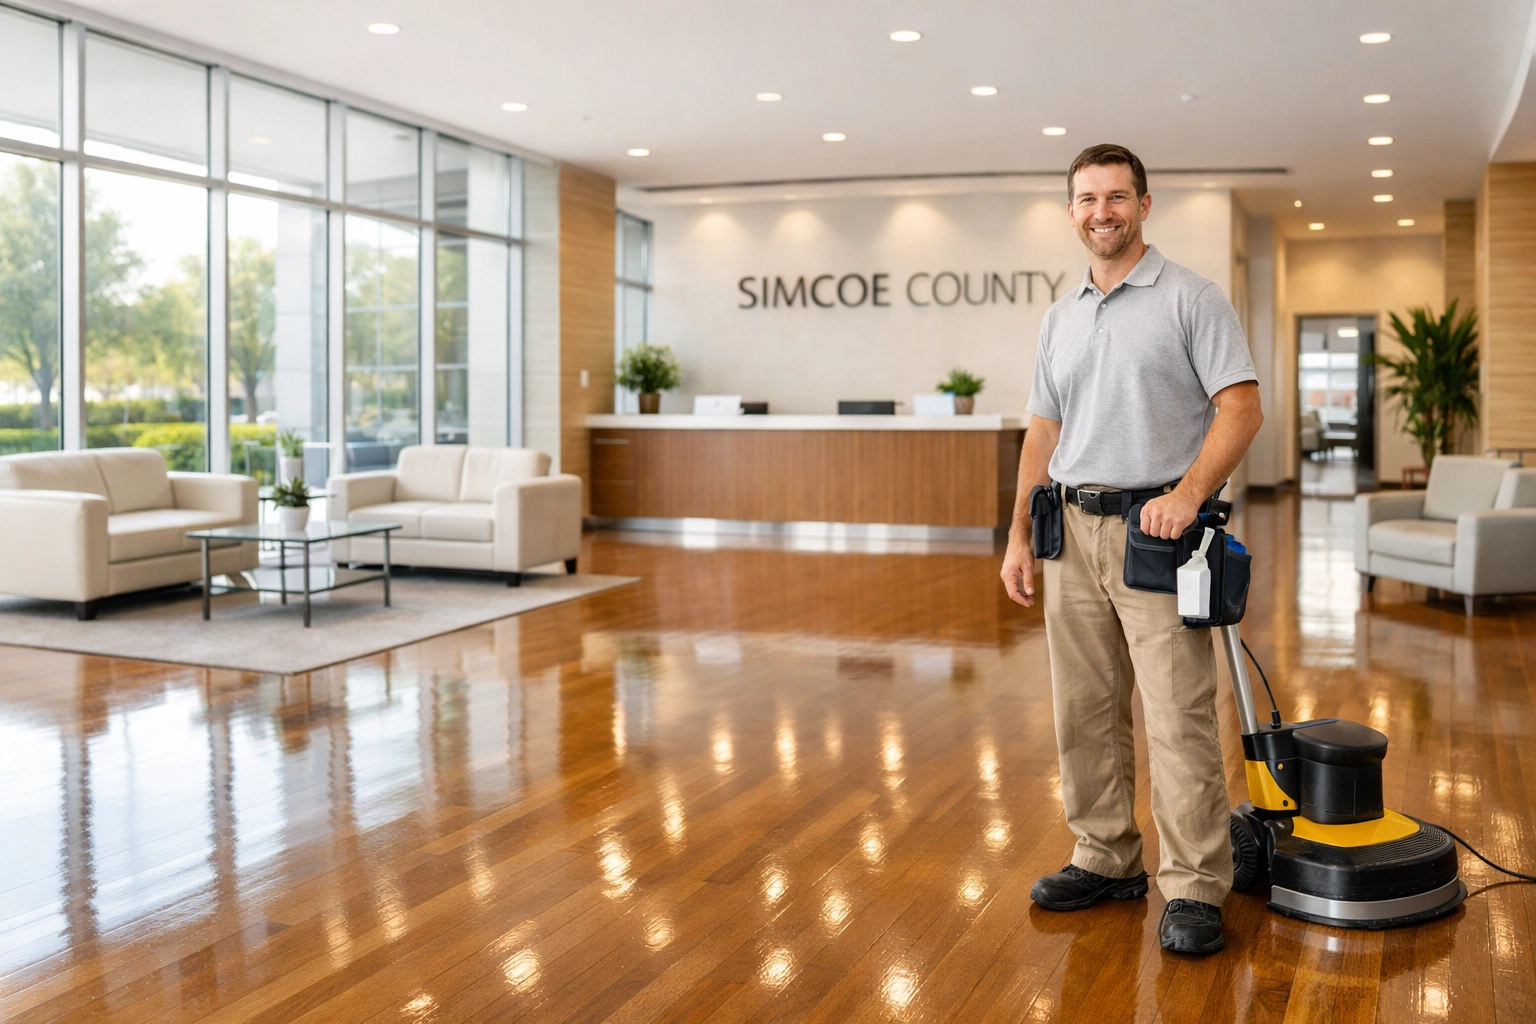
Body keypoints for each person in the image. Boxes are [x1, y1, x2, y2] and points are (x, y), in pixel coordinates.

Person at [1000, 143, 1263, 955]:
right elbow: (1044, 430)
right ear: (1071, 210)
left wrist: (1186, 497)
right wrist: (1015, 533)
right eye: (1086, 198)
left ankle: (1192, 886)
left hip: (1161, 535)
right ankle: (1107, 857)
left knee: (1178, 715)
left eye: (1116, 197)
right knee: (1082, 710)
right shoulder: (1061, 314)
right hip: (1069, 532)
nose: (1101, 211)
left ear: (1145, 205)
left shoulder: (1191, 297)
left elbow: (1241, 408)